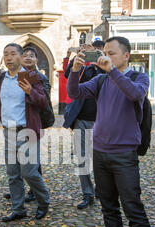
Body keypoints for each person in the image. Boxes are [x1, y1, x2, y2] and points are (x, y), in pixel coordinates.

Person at [67, 36, 155, 227]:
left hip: (124, 154)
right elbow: (74, 93)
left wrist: (113, 71)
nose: (106, 56)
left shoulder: (138, 78)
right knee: (108, 206)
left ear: (126, 56)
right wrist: (75, 71)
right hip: (101, 151)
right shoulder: (101, 79)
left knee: (133, 208)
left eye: (112, 53)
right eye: (104, 52)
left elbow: (134, 94)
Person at [0, 43, 50, 222]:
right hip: (8, 132)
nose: (9, 57)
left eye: (12, 54)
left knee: (30, 173)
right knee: (13, 174)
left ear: (20, 57)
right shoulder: (2, 77)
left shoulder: (32, 76)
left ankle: (44, 201)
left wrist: (30, 91)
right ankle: (18, 209)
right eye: (6, 54)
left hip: (27, 132)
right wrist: (3, 120)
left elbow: (43, 102)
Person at [64, 41, 105, 209]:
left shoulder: (107, 69)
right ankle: (87, 193)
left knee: (100, 159)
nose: (93, 54)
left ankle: (101, 189)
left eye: (97, 51)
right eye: (92, 51)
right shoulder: (84, 69)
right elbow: (68, 75)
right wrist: (78, 56)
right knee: (82, 158)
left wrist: (101, 60)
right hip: (81, 119)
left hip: (102, 121)